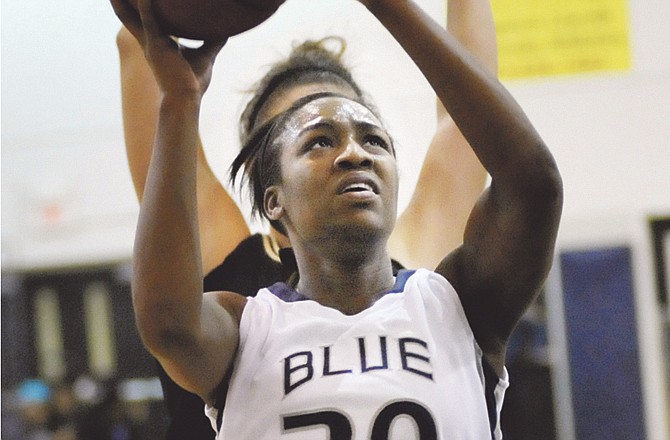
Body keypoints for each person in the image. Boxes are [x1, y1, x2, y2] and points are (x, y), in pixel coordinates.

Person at [112, 0, 563, 436]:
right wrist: (180, 95)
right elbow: (139, 43)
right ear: (269, 188)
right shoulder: (238, 316)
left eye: (371, 137)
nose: (352, 153)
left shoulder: (444, 296)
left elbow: (505, 165)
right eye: (318, 139)